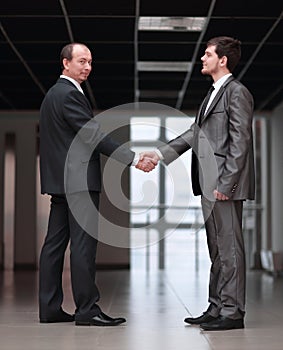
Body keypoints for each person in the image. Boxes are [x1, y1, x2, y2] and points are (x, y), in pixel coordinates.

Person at [141, 36, 255, 331]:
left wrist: (227, 184)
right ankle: (216, 306)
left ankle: (233, 312)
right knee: (216, 248)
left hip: (223, 186)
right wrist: (158, 155)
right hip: (209, 184)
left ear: (223, 60)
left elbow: (240, 143)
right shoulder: (212, 95)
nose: (202, 59)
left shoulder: (236, 93)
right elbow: (194, 135)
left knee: (229, 249)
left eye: (207, 54)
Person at [39, 42, 156, 326]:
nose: (87, 67)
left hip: (61, 183)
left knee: (54, 245)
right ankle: (87, 310)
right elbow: (92, 135)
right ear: (65, 63)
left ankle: (50, 308)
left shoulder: (52, 95)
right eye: (81, 61)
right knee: (82, 246)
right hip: (78, 183)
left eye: (90, 62)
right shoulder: (69, 95)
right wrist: (133, 158)